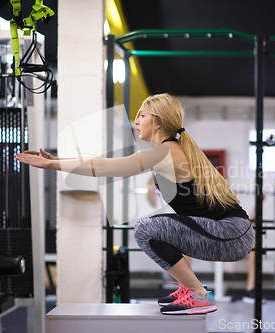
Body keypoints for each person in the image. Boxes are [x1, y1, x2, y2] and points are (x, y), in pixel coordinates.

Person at [14, 93, 255, 315]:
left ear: (158, 122)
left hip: (231, 234)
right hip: (231, 234)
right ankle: (191, 290)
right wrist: (59, 159)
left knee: (145, 228)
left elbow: (105, 167)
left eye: (142, 115)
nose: (137, 121)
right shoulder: (169, 151)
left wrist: (53, 165)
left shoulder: (164, 152)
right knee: (155, 228)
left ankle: (199, 295)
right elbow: (105, 163)